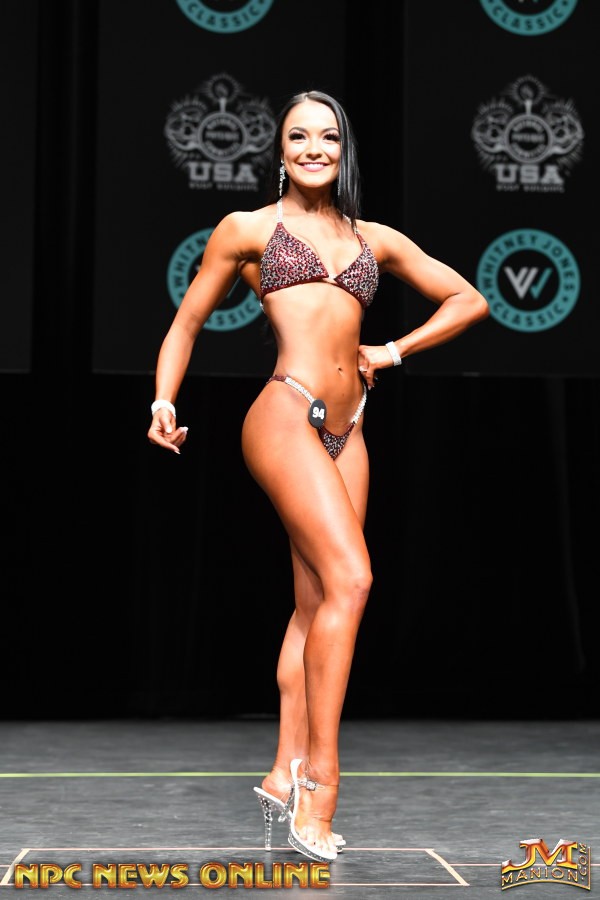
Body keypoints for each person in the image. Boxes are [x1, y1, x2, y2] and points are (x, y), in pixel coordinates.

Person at [147, 89, 489, 863]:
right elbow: (186, 322)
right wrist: (165, 398)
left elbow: (469, 300)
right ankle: (319, 787)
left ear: (343, 149)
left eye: (327, 137)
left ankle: (280, 771)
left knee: (315, 608)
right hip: (285, 414)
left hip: (349, 429)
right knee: (353, 581)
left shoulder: (373, 238)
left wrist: (392, 350)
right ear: (279, 150)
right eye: (298, 136)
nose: (313, 148)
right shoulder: (248, 229)